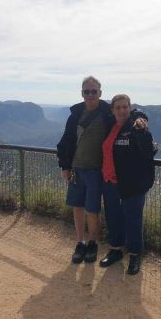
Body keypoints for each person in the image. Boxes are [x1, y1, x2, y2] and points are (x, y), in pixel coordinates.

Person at [57, 76, 112, 264]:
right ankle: (80, 242)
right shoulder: (75, 115)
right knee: (77, 207)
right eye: (86, 91)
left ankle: (93, 243)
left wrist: (141, 118)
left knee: (92, 209)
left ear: (100, 93)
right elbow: (65, 142)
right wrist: (65, 166)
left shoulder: (108, 112)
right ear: (82, 93)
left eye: (93, 91)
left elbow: (128, 113)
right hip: (76, 169)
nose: (90, 95)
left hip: (96, 170)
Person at [99, 94, 156, 275]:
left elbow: (148, 151)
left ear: (130, 108)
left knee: (133, 218)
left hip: (133, 182)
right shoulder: (109, 125)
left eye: (125, 107)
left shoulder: (136, 126)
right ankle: (116, 249)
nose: (122, 110)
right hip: (109, 181)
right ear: (112, 110)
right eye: (118, 107)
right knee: (113, 216)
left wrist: (142, 126)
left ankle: (134, 254)